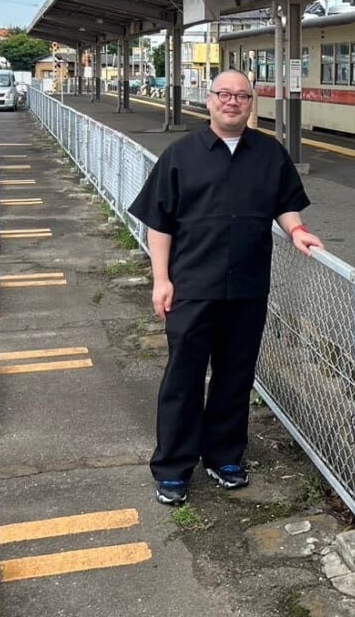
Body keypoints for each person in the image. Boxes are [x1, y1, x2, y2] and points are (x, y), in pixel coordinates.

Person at [129, 69, 323, 506]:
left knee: (236, 377)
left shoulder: (269, 154)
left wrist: (297, 231)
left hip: (248, 287)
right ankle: (174, 467)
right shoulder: (181, 155)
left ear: (252, 103)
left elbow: (286, 203)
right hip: (193, 287)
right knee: (184, 377)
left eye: (241, 96)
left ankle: (224, 456)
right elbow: (159, 223)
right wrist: (161, 279)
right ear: (210, 99)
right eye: (224, 94)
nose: (232, 101)